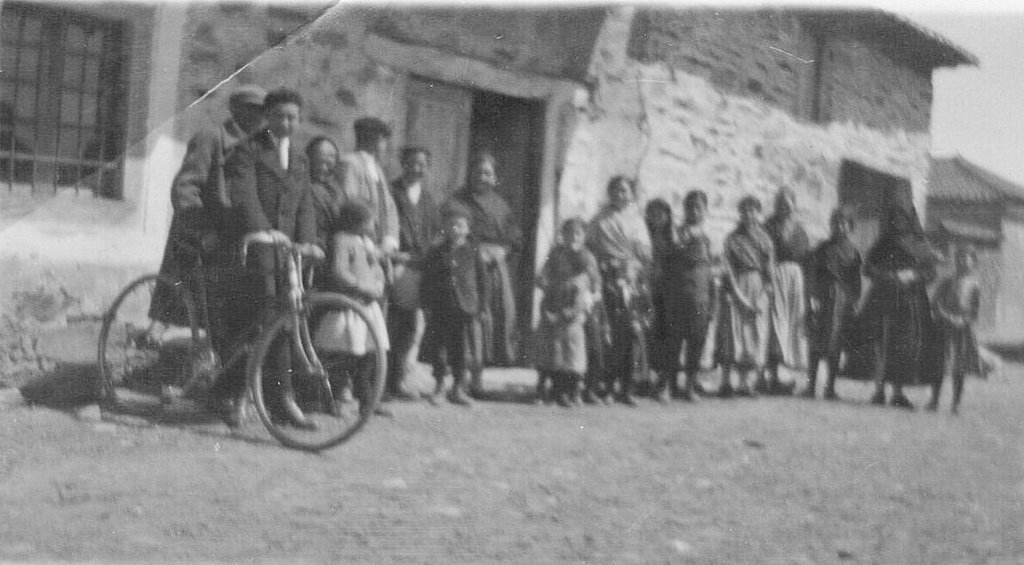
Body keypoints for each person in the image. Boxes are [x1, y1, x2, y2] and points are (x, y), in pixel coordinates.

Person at [222, 87, 321, 428]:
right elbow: (243, 195)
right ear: (268, 117)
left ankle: (284, 401)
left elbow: (305, 204)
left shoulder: (300, 159)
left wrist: (308, 241)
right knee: (256, 321)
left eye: (293, 117)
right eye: (279, 116)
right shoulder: (247, 151)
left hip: (286, 255)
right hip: (256, 247)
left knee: (286, 323)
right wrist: (265, 230)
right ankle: (235, 395)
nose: (286, 123)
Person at [150, 85, 265, 330]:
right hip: (204, 227)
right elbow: (186, 187)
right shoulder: (211, 137)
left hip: (236, 230)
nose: (257, 116)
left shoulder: (259, 145)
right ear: (234, 109)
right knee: (193, 296)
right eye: (250, 109)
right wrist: (201, 230)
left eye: (261, 111)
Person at [853, 200, 943, 410]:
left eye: (902, 219)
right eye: (894, 219)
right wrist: (887, 275)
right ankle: (879, 390)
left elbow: (931, 273)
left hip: (911, 302)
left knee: (904, 346)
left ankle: (898, 392)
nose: (898, 222)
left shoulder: (921, 243)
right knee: (881, 343)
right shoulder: (883, 243)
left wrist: (913, 275)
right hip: (883, 299)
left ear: (910, 220)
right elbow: (867, 268)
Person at [445, 151, 522, 385]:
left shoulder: (501, 205)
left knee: (494, 319)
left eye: (488, 173)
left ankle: (478, 377)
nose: (483, 177)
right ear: (470, 174)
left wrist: (503, 251)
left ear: (494, 177)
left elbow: (515, 237)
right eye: (478, 172)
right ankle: (461, 377)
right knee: (470, 318)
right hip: (467, 269)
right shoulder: (457, 200)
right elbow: (451, 230)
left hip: (494, 270)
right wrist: (476, 250)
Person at [312, 200, 390, 414]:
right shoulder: (342, 241)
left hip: (366, 308)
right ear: (356, 222)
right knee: (343, 357)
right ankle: (335, 399)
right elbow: (339, 272)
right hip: (348, 308)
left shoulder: (365, 242)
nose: (373, 227)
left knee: (369, 356)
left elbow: (375, 267)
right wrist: (362, 286)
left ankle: (368, 400)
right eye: (370, 222)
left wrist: (378, 282)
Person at [587, 175, 653, 406]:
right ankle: (606, 385)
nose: (620, 195)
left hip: (629, 280)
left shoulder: (637, 221)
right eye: (615, 190)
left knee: (630, 334)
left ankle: (627, 388)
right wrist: (602, 264)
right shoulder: (599, 220)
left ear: (631, 195)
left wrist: (632, 263)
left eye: (624, 191)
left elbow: (645, 252)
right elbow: (590, 248)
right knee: (607, 333)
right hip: (606, 280)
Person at [386, 146, 441, 401]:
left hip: (422, 266)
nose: (418, 169)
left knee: (411, 326)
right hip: (401, 263)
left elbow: (435, 232)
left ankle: (399, 379)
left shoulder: (428, 199)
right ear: (403, 163)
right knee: (395, 323)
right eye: (413, 163)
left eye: (423, 165)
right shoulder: (392, 191)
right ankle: (386, 381)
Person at [418, 209, 489, 407]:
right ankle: (439, 385)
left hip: (465, 307)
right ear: (445, 228)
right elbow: (426, 280)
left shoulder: (473, 251)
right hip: (441, 306)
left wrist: (481, 307)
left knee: (461, 348)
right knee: (439, 348)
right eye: (452, 225)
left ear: (468, 229)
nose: (456, 229)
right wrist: (425, 305)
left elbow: (482, 281)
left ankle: (458, 388)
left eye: (461, 225)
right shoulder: (436, 251)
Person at [653, 190, 716, 402]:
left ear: (705, 211)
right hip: (678, 295)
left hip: (701, 296)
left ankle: (690, 386)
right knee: (673, 342)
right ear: (685, 210)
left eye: (699, 207)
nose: (695, 211)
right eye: (690, 207)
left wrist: (712, 301)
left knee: (696, 342)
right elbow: (666, 258)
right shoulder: (675, 232)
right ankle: (666, 386)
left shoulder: (708, 238)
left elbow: (712, 271)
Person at [534, 219, 600, 407]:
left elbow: (595, 283)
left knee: (572, 352)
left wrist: (588, 292)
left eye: (577, 234)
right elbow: (541, 275)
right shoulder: (555, 254)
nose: (573, 237)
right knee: (551, 350)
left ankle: (569, 391)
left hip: (575, 307)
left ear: (584, 236)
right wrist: (545, 282)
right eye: (568, 233)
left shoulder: (587, 257)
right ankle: (547, 390)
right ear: (562, 235)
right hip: (553, 303)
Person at [801, 208, 862, 400]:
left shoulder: (853, 251)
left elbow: (856, 280)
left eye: (844, 223)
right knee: (816, 342)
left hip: (842, 299)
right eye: (836, 223)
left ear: (850, 227)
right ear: (831, 225)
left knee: (835, 343)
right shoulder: (822, 249)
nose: (840, 227)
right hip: (822, 296)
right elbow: (812, 275)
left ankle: (830, 388)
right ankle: (811, 386)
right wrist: (811, 298)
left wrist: (853, 301)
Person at [717, 196, 774, 398]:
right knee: (733, 335)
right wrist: (739, 295)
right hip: (736, 287)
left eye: (753, 210)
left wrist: (760, 298)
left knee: (754, 336)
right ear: (740, 213)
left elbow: (769, 273)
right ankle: (725, 382)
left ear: (758, 213)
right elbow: (728, 270)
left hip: (757, 287)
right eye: (745, 210)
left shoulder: (765, 239)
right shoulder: (732, 239)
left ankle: (745, 383)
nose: (749, 214)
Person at [763, 186, 810, 395]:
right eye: (781, 203)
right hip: (776, 276)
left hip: (796, 280)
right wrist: (769, 278)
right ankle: (770, 376)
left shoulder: (799, 229)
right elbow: (764, 254)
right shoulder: (768, 227)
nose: (785, 207)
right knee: (775, 325)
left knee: (792, 327)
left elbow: (807, 258)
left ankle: (783, 376)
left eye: (788, 203)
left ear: (794, 205)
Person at [927, 244, 982, 414]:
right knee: (939, 365)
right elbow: (934, 303)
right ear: (955, 261)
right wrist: (945, 315)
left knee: (959, 367)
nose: (963, 262)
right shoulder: (946, 281)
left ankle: (956, 403)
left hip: (962, 331)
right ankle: (934, 400)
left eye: (967, 259)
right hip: (944, 327)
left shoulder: (974, 285)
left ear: (973, 263)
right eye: (959, 259)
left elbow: (974, 311)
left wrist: (963, 320)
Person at [337, 117, 400, 253]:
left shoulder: (377, 169)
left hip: (379, 242)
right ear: (373, 139)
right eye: (383, 140)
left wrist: (390, 237)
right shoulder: (350, 163)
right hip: (358, 240)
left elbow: (388, 206)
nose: (386, 146)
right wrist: (363, 237)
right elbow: (350, 202)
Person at [306, 136, 344, 251]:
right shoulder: (304, 187)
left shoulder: (338, 190)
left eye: (328, 163)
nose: (323, 168)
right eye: (318, 162)